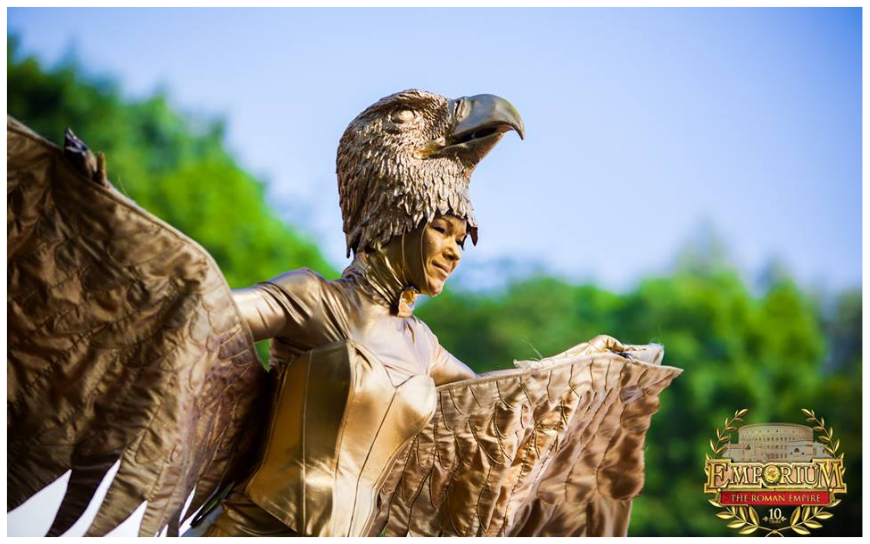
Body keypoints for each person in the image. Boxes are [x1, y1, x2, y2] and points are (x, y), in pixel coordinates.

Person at [188, 90, 526, 536]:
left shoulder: (424, 347)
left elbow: (504, 402)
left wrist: (591, 371)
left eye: (461, 240)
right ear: (401, 217)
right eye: (442, 230)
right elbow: (197, 314)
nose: (454, 253)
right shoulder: (314, 300)